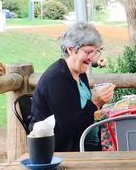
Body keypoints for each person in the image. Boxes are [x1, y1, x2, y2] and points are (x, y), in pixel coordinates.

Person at [30, 22, 115, 152]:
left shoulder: (80, 74)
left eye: (95, 52)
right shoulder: (57, 79)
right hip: (64, 151)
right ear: (70, 49)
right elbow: (72, 128)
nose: (92, 57)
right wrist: (95, 103)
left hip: (87, 145)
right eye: (88, 52)